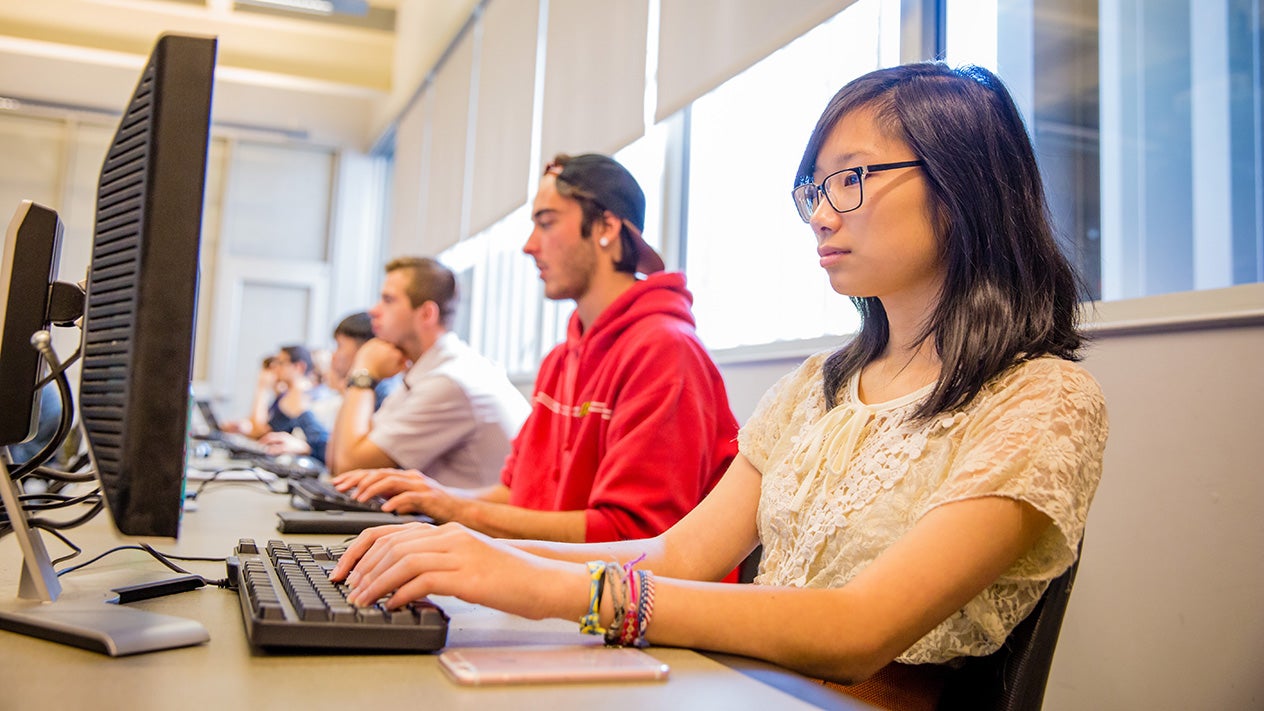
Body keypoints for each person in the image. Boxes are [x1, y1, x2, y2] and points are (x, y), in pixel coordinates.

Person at [330, 63, 1109, 710]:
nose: (820, 215)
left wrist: (538, 584)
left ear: (963, 183)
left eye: (851, 179)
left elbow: (858, 628)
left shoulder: (1043, 400)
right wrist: (476, 552)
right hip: (721, 683)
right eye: (815, 188)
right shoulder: (820, 386)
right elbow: (682, 553)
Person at [333, 154, 739, 544]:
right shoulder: (562, 361)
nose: (529, 246)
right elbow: (516, 497)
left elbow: (632, 539)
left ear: (607, 227)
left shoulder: (666, 352)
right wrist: (432, 498)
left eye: (546, 223)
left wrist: (455, 509)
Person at [324, 257, 530, 490]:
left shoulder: (449, 381)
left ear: (426, 314)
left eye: (388, 300)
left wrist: (363, 373)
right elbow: (335, 462)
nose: (374, 310)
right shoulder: (423, 372)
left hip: (474, 525)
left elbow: (349, 467)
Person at [260, 312, 401, 458]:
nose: (334, 356)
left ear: (365, 350)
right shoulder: (365, 390)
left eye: (339, 346)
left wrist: (302, 413)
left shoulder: (382, 394)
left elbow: (343, 457)